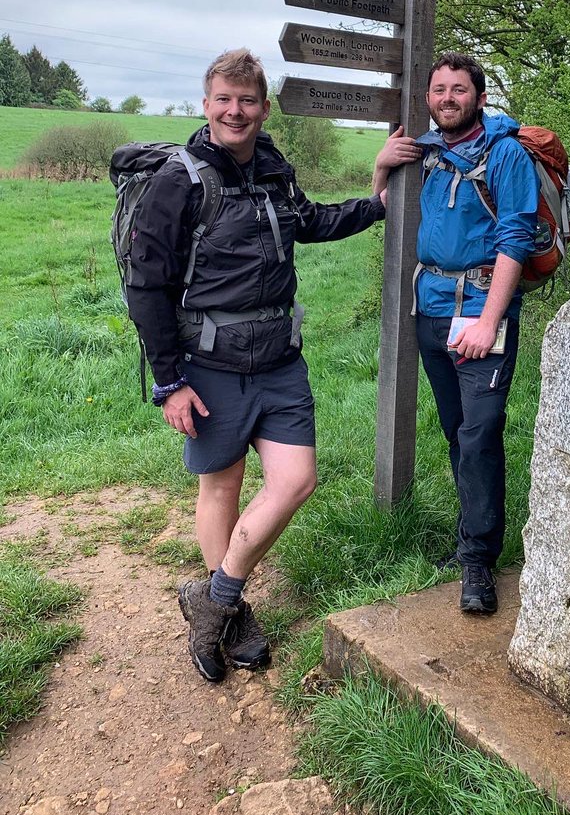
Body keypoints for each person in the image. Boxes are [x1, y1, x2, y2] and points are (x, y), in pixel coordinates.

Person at [126, 47, 415, 682]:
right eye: (224, 99)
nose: (236, 111)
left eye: (248, 100)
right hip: (209, 365)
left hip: (280, 360)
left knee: (295, 481)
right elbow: (145, 285)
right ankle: (231, 612)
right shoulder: (179, 181)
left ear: (262, 107)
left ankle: (214, 599)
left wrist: (376, 194)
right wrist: (169, 381)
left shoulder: (273, 167)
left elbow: (308, 221)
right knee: (222, 485)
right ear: (206, 105)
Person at [374, 51, 538, 614]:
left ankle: (478, 563)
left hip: (481, 309)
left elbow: (516, 238)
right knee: (456, 429)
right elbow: (387, 209)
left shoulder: (507, 154)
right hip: (433, 308)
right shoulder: (427, 151)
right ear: (428, 98)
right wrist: (380, 166)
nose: (448, 98)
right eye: (439, 90)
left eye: (459, 90)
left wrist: (491, 319)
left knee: (481, 432)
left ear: (480, 97)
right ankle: (472, 536)